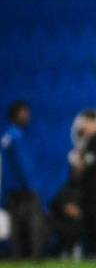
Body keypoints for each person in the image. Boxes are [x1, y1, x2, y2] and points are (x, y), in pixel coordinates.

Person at [0, 101, 46, 259]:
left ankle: (16, 255)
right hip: (24, 187)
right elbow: (23, 163)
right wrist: (31, 185)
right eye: (24, 113)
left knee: (15, 222)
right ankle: (35, 255)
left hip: (10, 187)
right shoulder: (17, 136)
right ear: (16, 114)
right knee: (34, 220)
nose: (28, 117)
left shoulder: (6, 136)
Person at [69, 109, 96, 255]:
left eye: (88, 122)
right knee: (87, 215)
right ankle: (89, 249)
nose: (86, 126)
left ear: (95, 123)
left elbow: (90, 160)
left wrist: (80, 165)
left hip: (94, 183)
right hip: (86, 183)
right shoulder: (85, 141)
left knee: (93, 215)